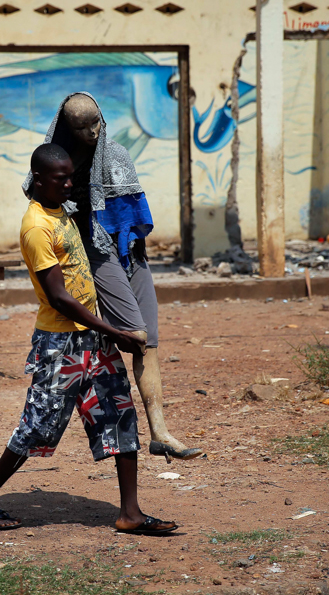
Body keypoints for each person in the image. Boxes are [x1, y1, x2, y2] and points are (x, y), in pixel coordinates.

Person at [0, 143, 178, 535]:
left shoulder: (63, 211)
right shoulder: (36, 227)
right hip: (60, 345)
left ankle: (130, 513)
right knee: (39, 424)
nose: (68, 184)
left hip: (93, 339)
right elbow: (59, 298)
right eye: (60, 179)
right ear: (38, 179)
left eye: (70, 177)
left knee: (119, 415)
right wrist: (115, 331)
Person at [22, 92, 201, 461]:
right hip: (94, 251)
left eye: (96, 123)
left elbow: (132, 207)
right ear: (67, 127)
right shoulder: (57, 163)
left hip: (128, 246)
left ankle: (160, 432)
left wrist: (133, 243)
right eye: (82, 127)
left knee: (149, 339)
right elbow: (50, 214)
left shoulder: (116, 154)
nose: (92, 132)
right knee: (134, 334)